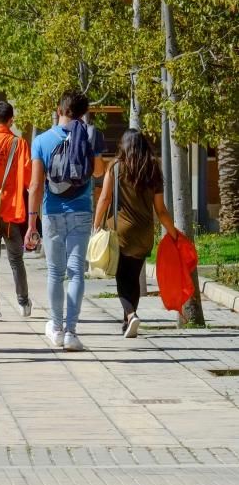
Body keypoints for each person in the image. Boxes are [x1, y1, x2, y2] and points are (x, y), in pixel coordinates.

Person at [26, 90, 105, 352]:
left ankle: (56, 328)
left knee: (55, 272)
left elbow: (36, 185)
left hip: (52, 212)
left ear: (59, 109)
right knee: (75, 272)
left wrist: (31, 222)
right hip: (81, 209)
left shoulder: (41, 141)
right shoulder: (91, 135)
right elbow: (99, 170)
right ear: (83, 112)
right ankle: (71, 332)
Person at [93, 130, 179, 338]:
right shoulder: (153, 169)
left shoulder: (114, 167)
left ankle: (131, 315)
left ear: (123, 145)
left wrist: (96, 225)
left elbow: (104, 199)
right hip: (144, 233)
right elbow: (161, 210)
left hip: (121, 232)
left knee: (122, 279)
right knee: (133, 277)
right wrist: (174, 232)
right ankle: (127, 323)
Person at [0, 102, 33, 322]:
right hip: (12, 209)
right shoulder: (19, 144)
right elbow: (29, 177)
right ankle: (23, 303)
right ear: (11, 120)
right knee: (16, 259)